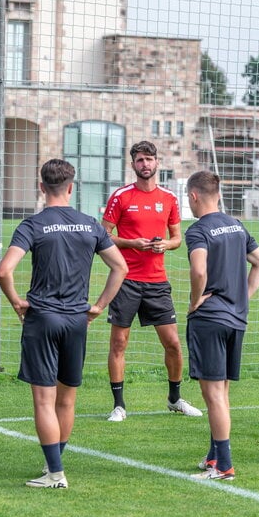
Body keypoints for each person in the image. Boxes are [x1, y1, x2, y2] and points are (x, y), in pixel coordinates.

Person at [0, 159, 127, 489]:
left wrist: (15, 302)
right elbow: (121, 268)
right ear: (71, 187)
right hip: (75, 320)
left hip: (42, 318)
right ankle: (53, 464)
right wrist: (98, 306)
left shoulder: (33, 225)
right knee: (66, 400)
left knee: (43, 401)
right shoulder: (90, 225)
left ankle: (55, 472)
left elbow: (3, 270)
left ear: (41, 188)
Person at [101, 140, 201, 422]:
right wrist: (131, 243)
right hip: (126, 280)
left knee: (173, 344)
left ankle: (175, 398)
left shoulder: (169, 198)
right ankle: (119, 405)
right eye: (140, 160)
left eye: (149, 159)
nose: (145, 164)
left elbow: (177, 239)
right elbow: (103, 235)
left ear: (158, 162)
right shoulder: (121, 197)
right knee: (119, 343)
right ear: (132, 165)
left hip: (157, 282)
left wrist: (165, 246)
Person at [185, 171, 259, 481]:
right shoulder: (236, 225)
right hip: (236, 318)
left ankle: (225, 466)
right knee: (221, 391)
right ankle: (214, 457)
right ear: (217, 194)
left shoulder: (197, 230)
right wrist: (241, 298)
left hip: (210, 319)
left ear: (194, 196)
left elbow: (198, 271)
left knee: (214, 394)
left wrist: (196, 300)